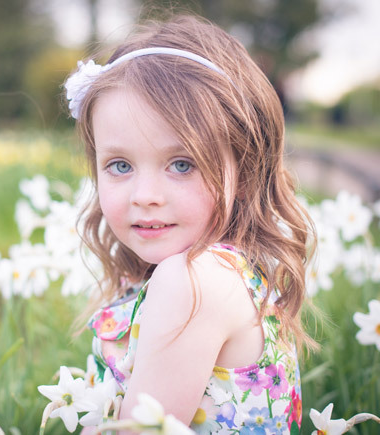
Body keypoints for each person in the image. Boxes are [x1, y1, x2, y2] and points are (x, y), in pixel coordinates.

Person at [65, 14, 316, 434]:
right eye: (119, 165)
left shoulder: (194, 282)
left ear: (246, 168)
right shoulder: (225, 271)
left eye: (182, 164)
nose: (145, 194)